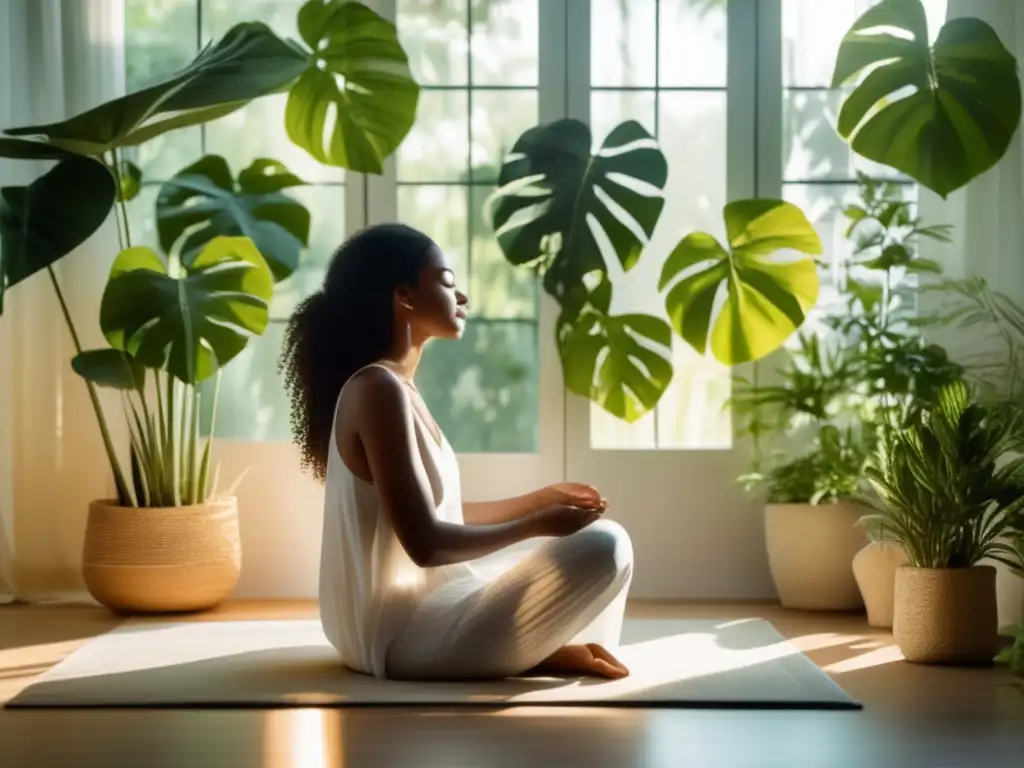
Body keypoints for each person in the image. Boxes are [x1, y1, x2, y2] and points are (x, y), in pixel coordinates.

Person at [280, 223, 634, 682]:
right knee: (606, 546)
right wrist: (534, 525)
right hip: (397, 634)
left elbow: (437, 513)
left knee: (594, 539)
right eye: (447, 282)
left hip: (428, 609)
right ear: (404, 296)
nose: (462, 296)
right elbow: (426, 544)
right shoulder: (375, 388)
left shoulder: (397, 388)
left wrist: (540, 500)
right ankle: (531, 653)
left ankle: (535, 652)